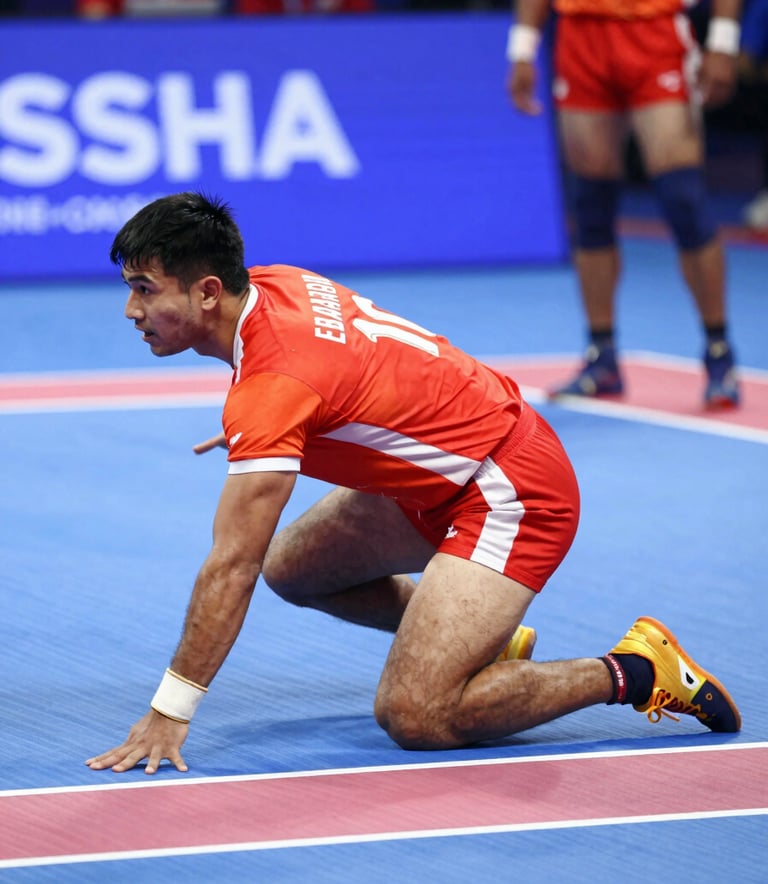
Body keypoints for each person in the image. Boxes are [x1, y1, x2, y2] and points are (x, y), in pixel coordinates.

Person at [85, 192, 740, 775]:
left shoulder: (273, 390)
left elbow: (231, 567)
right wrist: (272, 430)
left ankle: (633, 670)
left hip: (509, 489)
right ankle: (482, 634)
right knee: (294, 569)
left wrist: (172, 708)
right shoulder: (273, 286)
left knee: (417, 713)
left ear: (206, 292)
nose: (130, 309)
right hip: (434, 476)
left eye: (145, 289)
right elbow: (349, 372)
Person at [506, 0, 742, 409]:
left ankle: (719, 353)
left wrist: (723, 41)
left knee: (682, 199)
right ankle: (603, 358)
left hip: (654, 31)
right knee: (590, 204)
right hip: (581, 37)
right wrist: (522, 49)